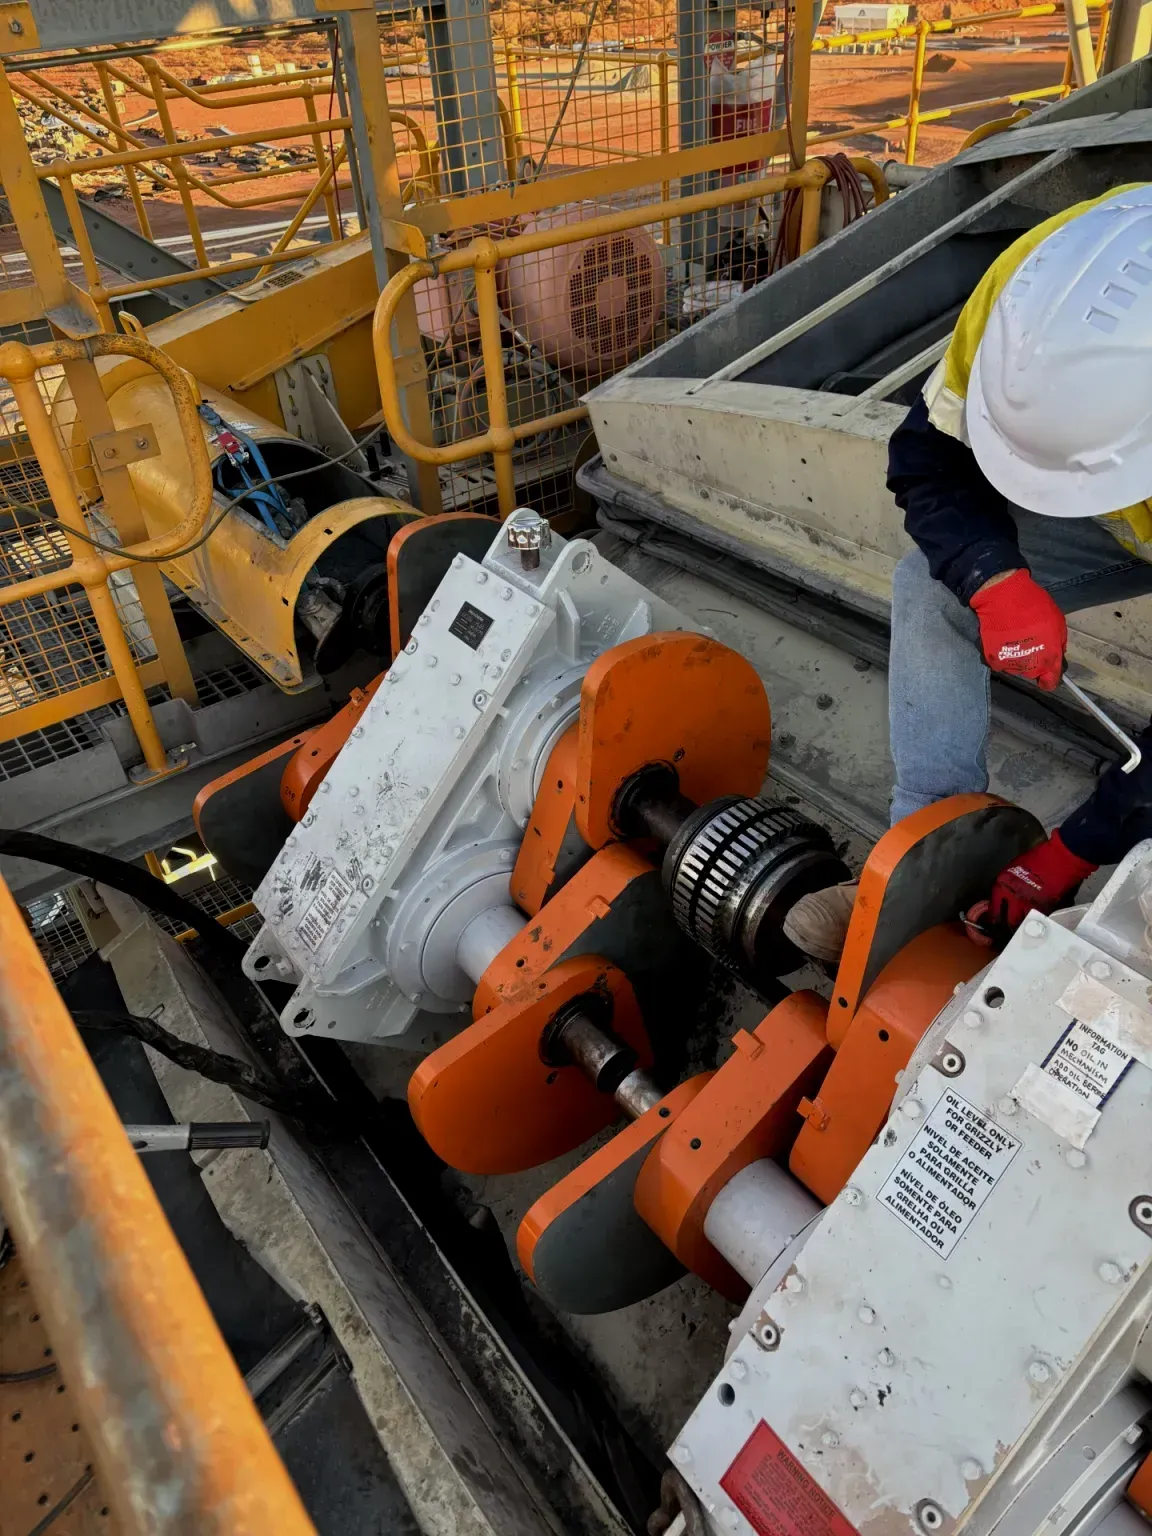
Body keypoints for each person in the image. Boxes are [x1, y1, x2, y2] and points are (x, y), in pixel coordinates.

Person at [784, 183, 1152, 964]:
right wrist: (993, 579)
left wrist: (1074, 850)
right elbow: (928, 460)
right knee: (934, 584)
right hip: (1132, 505)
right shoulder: (1028, 289)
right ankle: (920, 851)